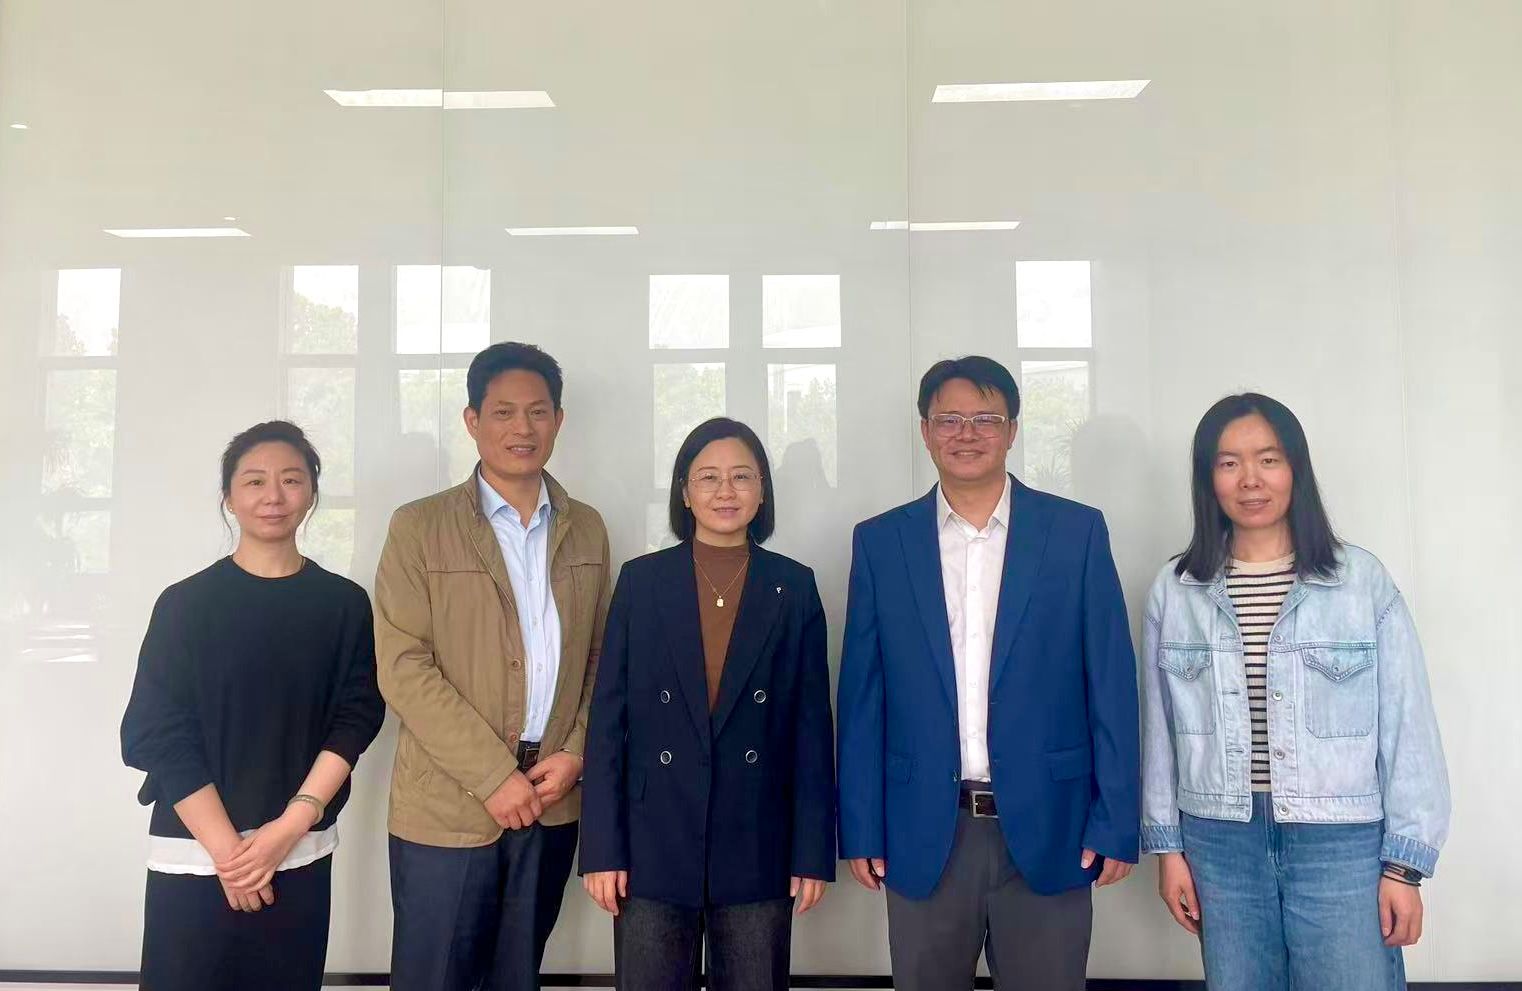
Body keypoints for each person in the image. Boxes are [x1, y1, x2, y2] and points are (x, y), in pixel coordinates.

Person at [836, 356, 1139, 991]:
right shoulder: (882, 542)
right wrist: (860, 826)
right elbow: (863, 699)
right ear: (925, 431)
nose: (966, 433)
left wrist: (1116, 820)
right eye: (949, 419)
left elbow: (1110, 685)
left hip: (1052, 823)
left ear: (1012, 430)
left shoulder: (1075, 532)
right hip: (925, 826)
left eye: (985, 418)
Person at [1139, 393, 1450, 990]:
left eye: (1268, 459)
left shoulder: (1359, 582)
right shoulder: (1176, 589)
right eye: (1228, 463)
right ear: (1208, 478)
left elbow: (1408, 724)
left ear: (1295, 470)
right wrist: (1168, 849)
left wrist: (1405, 866)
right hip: (1220, 843)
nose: (1249, 480)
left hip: (1341, 843)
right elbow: (1158, 730)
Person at [375, 341, 612, 991]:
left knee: (517, 977)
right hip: (447, 806)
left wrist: (577, 751)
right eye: (503, 412)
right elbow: (403, 665)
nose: (522, 428)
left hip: (551, 797)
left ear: (559, 420)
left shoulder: (587, 529)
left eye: (538, 411)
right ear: (472, 420)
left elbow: (602, 657)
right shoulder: (419, 527)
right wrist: (492, 775)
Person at [120, 420, 385, 991]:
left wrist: (288, 828)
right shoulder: (185, 604)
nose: (273, 495)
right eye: (255, 481)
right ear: (229, 496)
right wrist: (231, 856)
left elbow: (356, 717)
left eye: (291, 479)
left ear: (311, 493)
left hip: (299, 849)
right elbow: (156, 731)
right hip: (194, 854)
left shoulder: (343, 604)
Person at [580, 417, 835, 991]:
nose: (726, 491)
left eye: (741, 476)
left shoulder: (794, 586)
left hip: (758, 839)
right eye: (709, 477)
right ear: (684, 491)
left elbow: (812, 732)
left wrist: (812, 852)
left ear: (762, 490)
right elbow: (608, 724)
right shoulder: (642, 582)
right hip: (652, 843)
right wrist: (601, 848)